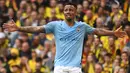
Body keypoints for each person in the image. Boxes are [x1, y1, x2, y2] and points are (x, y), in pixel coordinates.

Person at [3, 2, 126, 73]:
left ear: (75, 12)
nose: (68, 11)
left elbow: (97, 31)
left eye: (71, 10)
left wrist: (113, 33)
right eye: (66, 10)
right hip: (60, 67)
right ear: (64, 12)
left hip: (75, 68)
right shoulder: (55, 25)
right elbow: (37, 29)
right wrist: (19, 28)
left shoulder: (82, 26)